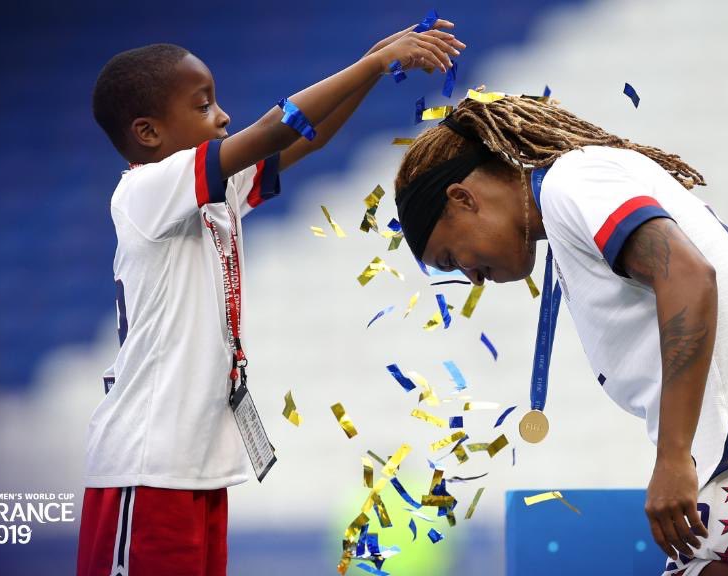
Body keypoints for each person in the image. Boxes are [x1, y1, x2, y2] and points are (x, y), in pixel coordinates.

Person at [393, 95, 728, 576]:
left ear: (462, 199)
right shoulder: (589, 181)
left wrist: (674, 457)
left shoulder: (571, 183)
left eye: (452, 258)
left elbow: (689, 276)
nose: (472, 277)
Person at [77, 22, 465, 576]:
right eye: (204, 104)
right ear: (148, 132)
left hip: (193, 462)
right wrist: (371, 66)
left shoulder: (212, 194)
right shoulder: (147, 189)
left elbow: (309, 137)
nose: (222, 115)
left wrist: (373, 64)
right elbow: (273, 129)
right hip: (146, 463)